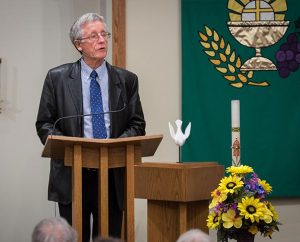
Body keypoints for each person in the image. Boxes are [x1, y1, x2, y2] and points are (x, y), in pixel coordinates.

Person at [36, 12, 146, 242]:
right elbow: (45, 123)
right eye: (94, 36)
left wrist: (114, 146)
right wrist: (69, 146)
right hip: (72, 173)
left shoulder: (126, 80)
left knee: (109, 238)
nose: (102, 40)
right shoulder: (57, 78)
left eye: (104, 34)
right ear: (78, 44)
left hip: (113, 174)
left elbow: (137, 124)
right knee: (74, 237)